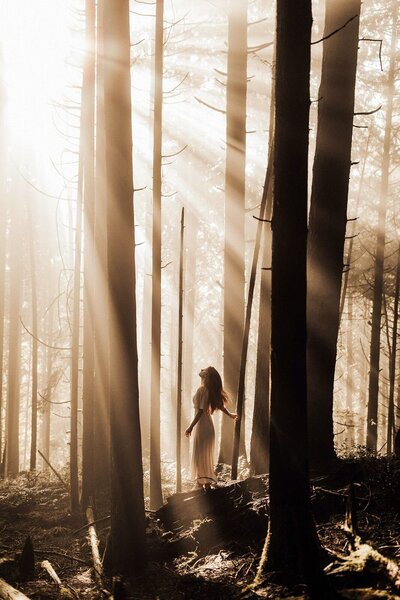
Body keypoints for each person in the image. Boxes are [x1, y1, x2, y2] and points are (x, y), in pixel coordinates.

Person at [185, 366, 238, 489]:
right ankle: (205, 484)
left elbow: (200, 412)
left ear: (206, 376)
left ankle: (204, 483)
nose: (201, 369)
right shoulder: (207, 390)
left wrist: (190, 427)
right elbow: (220, 405)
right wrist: (230, 415)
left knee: (201, 453)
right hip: (207, 426)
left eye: (204, 370)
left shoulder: (203, 390)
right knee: (202, 453)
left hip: (202, 426)